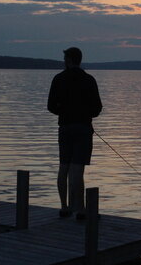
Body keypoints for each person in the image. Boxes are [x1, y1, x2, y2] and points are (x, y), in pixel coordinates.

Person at [47, 47, 102, 219]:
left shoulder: (58, 78)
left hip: (65, 127)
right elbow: (97, 108)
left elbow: (50, 106)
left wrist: (64, 112)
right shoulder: (88, 79)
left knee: (64, 167)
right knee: (77, 169)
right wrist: (84, 114)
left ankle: (65, 207)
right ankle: (80, 210)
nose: (64, 61)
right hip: (83, 128)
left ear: (69, 59)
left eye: (65, 58)